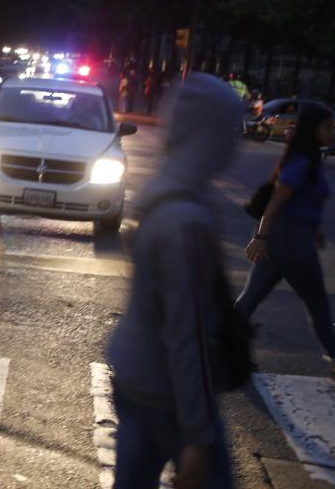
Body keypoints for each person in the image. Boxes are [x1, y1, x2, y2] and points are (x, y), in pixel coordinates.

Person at [108, 72, 242, 489]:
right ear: (210, 134)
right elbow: (188, 334)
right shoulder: (189, 220)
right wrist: (198, 437)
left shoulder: (165, 194)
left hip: (134, 373)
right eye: (230, 129)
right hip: (167, 393)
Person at [237, 105, 335, 380]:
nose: (334, 132)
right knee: (318, 304)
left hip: (285, 240)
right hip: (291, 244)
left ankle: (219, 348)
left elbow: (299, 201)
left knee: (250, 298)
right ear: (314, 129)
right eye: (329, 126)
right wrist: (260, 237)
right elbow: (275, 202)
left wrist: (314, 228)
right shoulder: (301, 163)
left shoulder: (307, 159)